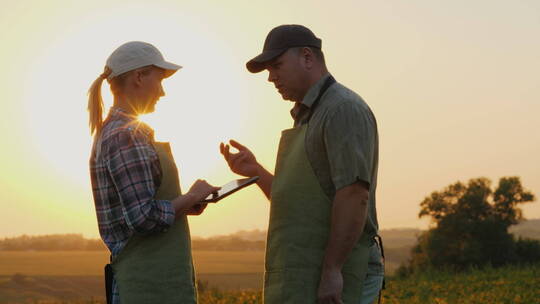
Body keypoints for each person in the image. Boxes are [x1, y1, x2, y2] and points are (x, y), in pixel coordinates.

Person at [220, 25, 383, 303]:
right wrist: (255, 172)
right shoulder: (309, 115)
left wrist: (332, 270)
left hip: (341, 272)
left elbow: (354, 195)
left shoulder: (341, 109)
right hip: (313, 269)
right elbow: (297, 204)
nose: (271, 77)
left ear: (307, 57)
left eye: (277, 66)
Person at [88, 41, 220, 304]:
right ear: (139, 77)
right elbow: (143, 217)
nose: (162, 92)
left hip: (148, 284)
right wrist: (192, 195)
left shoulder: (113, 132)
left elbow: (138, 210)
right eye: (159, 80)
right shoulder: (126, 135)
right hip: (148, 288)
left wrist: (187, 204)